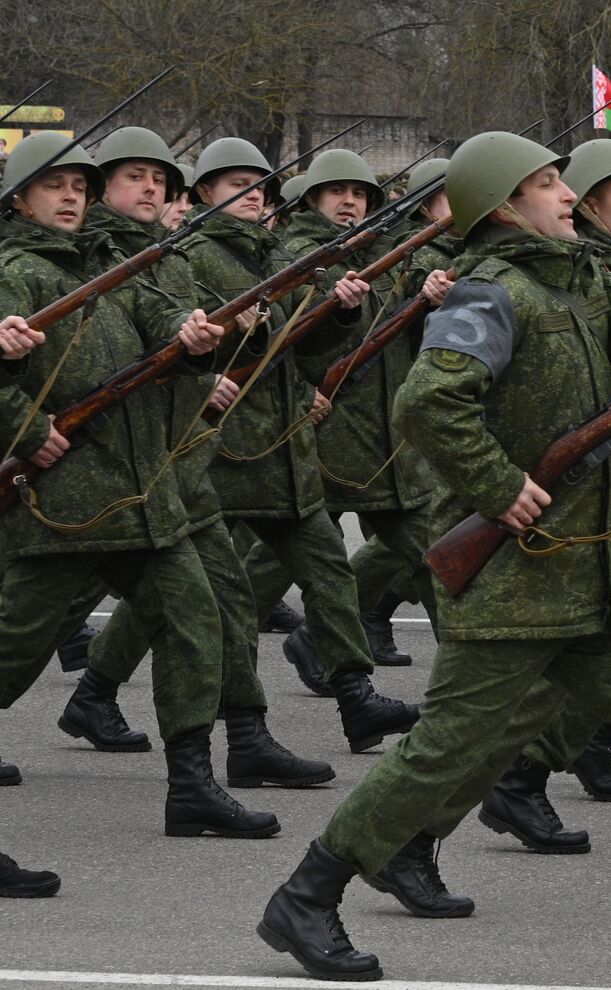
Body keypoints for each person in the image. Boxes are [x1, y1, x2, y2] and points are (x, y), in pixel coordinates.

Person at [258, 132, 611, 981]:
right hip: (514, 586)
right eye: (550, 182)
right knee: (443, 753)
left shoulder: (575, 278)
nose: (566, 195)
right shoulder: (490, 294)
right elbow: (428, 403)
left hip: (591, 582)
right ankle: (306, 897)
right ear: (505, 204)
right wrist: (497, 486)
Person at [0, 130, 277, 840]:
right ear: (21, 199)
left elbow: (155, 316)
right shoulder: (14, 271)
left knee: (194, 622)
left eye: (79, 186)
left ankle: (193, 787)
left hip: (142, 495)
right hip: (64, 503)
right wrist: (24, 426)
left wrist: (191, 333)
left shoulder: (107, 261)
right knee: (13, 651)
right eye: (55, 185)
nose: (70, 197)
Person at [180, 137, 419, 751]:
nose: (251, 194)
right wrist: (211, 367)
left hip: (283, 449)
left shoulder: (276, 256)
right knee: (220, 598)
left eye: (258, 185)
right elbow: (168, 343)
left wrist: (339, 317)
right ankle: (241, 733)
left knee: (330, 572)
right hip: (220, 451)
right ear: (205, 192)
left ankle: (356, 699)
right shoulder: (191, 257)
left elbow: (304, 351)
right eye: (235, 184)